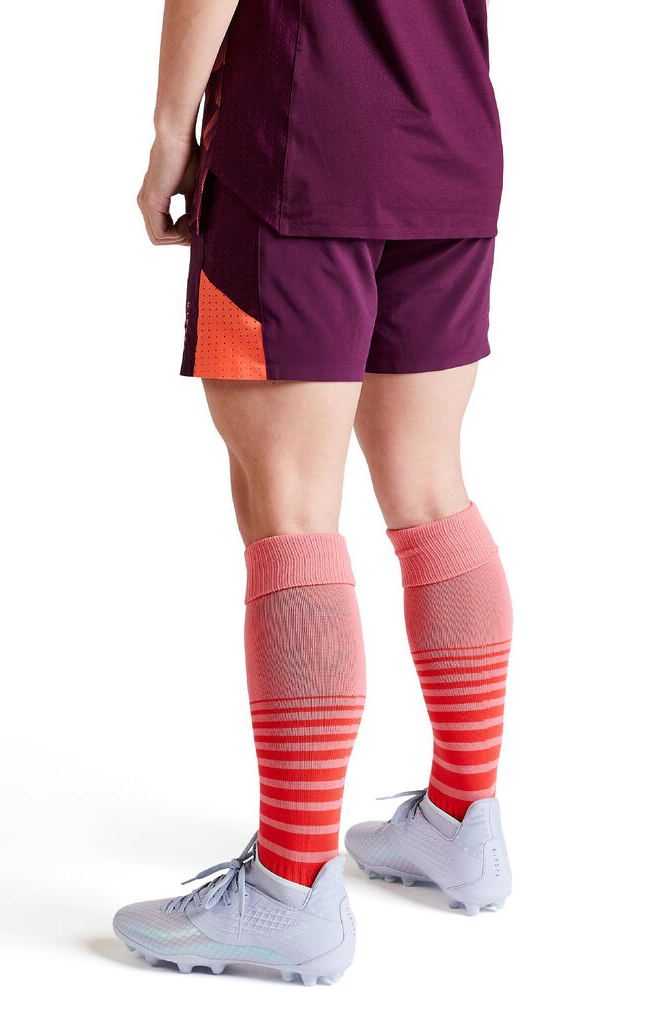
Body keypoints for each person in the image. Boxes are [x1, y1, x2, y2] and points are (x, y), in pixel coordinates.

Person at [114, 0, 513, 984]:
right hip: (451, 136)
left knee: (288, 508)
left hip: (297, 149)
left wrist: (169, 135)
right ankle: (462, 820)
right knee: (431, 487)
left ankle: (289, 890)